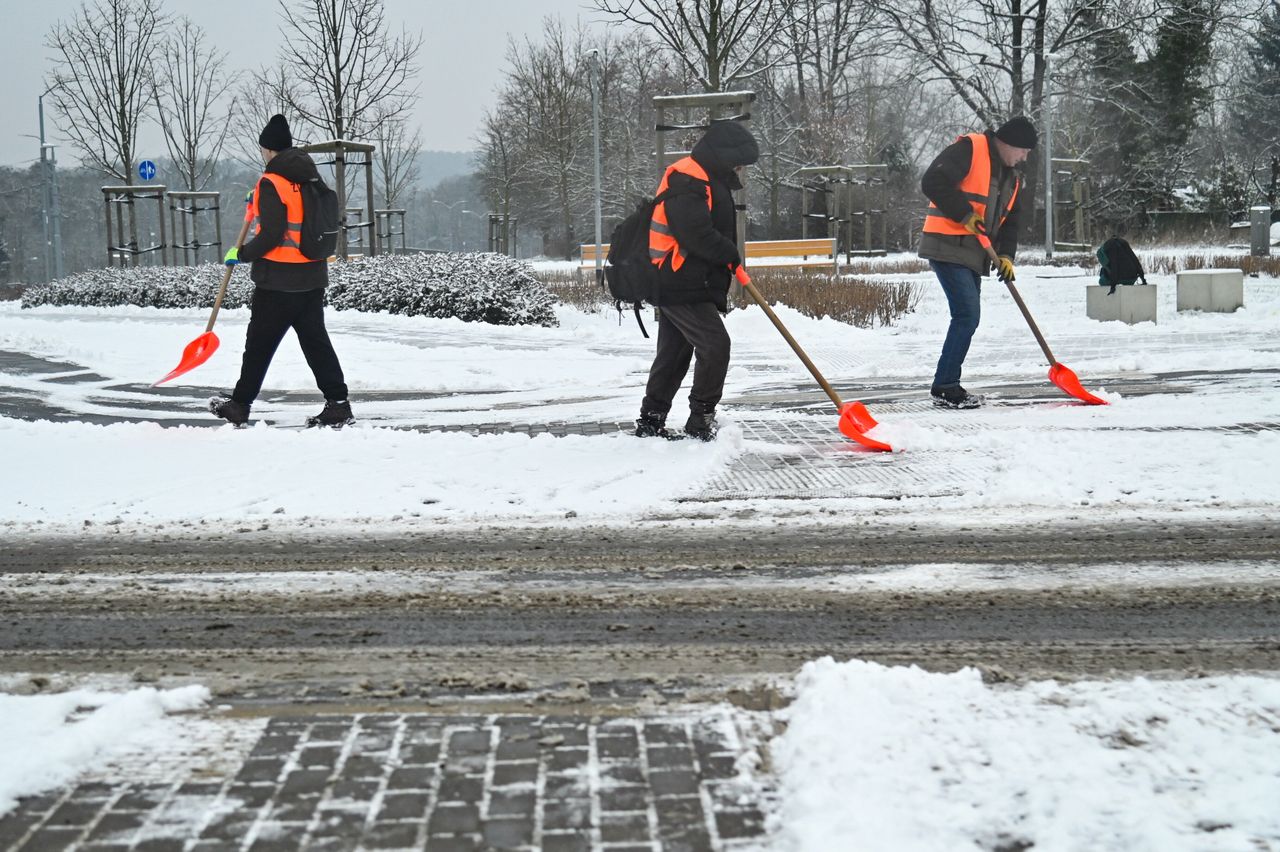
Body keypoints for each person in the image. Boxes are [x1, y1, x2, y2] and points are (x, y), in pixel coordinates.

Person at [209, 114, 354, 428]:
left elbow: (272, 234)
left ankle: (240, 405)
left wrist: (242, 254)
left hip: (278, 281)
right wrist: (259, 202)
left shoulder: (271, 182)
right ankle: (338, 404)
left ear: (268, 149)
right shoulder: (309, 177)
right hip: (311, 278)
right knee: (316, 344)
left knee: (258, 346)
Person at [634, 120, 760, 441]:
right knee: (715, 346)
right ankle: (701, 419)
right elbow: (695, 233)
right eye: (738, 162)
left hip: (686, 280)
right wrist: (729, 253)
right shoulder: (688, 178)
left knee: (674, 354)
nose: (740, 168)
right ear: (724, 155)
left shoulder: (706, 177)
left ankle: (651, 420)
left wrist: (727, 260)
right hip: (679, 280)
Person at [919, 115, 1036, 409]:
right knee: (967, 315)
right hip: (947, 245)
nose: (1024, 157)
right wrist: (964, 214)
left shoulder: (1013, 178)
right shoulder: (972, 149)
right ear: (1009, 143)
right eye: (1023, 150)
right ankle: (945, 386)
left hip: (972, 253)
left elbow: (1011, 222)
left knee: (968, 316)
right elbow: (932, 181)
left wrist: (1007, 256)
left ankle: (946, 384)